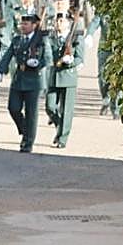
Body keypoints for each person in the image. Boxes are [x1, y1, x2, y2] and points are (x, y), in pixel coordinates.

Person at [0, 13, 48, 153]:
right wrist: (1, 70)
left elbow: (47, 58)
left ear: (34, 25)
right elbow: (8, 56)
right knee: (13, 108)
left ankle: (28, 142)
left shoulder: (42, 40)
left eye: (26, 24)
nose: (22, 26)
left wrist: (37, 63)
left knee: (31, 113)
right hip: (18, 79)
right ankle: (25, 130)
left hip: (33, 81)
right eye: (22, 24)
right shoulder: (17, 40)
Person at [45, 13, 82, 149]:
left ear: (68, 23)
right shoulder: (52, 37)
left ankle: (62, 138)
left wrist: (71, 61)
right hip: (54, 76)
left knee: (66, 110)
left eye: (61, 21)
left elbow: (80, 57)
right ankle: (61, 126)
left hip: (68, 77)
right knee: (50, 107)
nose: (58, 23)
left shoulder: (76, 37)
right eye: (57, 20)